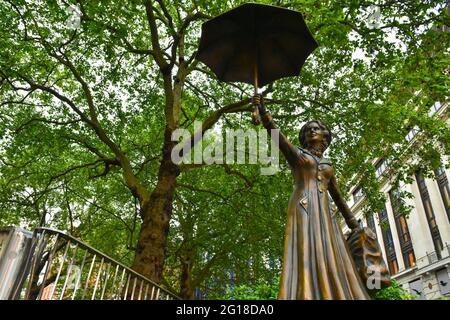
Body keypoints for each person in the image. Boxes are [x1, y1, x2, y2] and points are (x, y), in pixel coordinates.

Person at [253, 95, 370, 300]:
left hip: (326, 214)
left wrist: (353, 222)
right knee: (305, 249)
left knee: (331, 253)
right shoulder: (298, 155)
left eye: (316, 128)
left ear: (324, 136)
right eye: (308, 129)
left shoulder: (328, 166)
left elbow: (339, 198)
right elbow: (278, 138)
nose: (312, 130)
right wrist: (264, 113)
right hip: (303, 206)